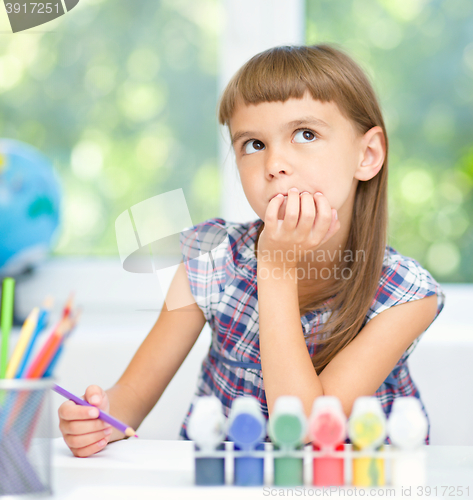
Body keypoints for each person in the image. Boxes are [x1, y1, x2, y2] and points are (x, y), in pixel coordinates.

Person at [58, 44, 445, 457]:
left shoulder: (404, 295)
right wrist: (100, 420)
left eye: (305, 134)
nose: (275, 162)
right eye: (254, 144)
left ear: (367, 156)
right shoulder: (208, 256)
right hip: (228, 481)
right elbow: (132, 394)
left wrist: (276, 267)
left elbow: (304, 431)